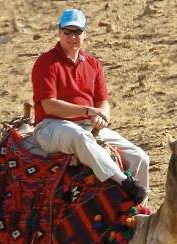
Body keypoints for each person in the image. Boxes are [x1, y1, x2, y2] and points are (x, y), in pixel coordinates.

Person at [31, 8, 149, 203]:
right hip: (51, 126)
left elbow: (102, 100)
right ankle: (124, 182)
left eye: (77, 32)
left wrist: (103, 115)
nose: (72, 37)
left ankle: (140, 211)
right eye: (67, 32)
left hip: (88, 125)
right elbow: (49, 106)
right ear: (59, 32)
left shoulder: (93, 64)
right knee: (79, 136)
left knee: (139, 157)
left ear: (85, 34)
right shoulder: (46, 62)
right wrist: (88, 111)